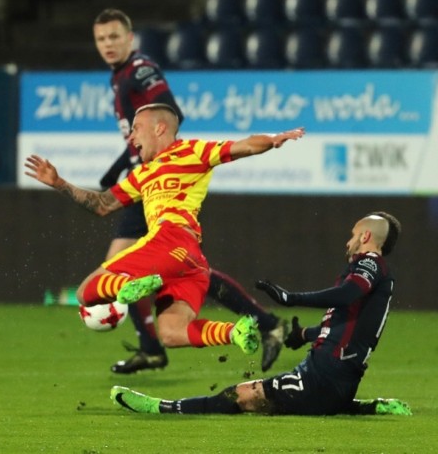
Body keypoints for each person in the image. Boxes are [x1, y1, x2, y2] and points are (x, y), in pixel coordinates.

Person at [93, 7, 288, 374]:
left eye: (115, 36)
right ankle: (264, 323)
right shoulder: (119, 77)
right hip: (147, 181)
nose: (108, 44)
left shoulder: (139, 71)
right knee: (190, 272)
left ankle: (155, 347)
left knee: (122, 269)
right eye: (101, 39)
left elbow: (168, 110)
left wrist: (123, 165)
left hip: (157, 180)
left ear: (130, 39)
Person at [25, 104, 304, 360]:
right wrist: (59, 183)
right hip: (191, 261)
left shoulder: (193, 152)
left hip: (169, 239)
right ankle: (234, 332)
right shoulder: (142, 174)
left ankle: (126, 287)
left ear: (159, 128)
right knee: (171, 333)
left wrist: (273, 139)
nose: (132, 137)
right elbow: (102, 204)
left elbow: (244, 146)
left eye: (136, 128)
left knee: (87, 293)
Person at [110, 211, 412, 417]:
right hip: (333, 376)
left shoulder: (369, 263)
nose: (348, 241)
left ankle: (162, 408)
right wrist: (304, 334)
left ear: (365, 236)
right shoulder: (376, 273)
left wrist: (291, 298)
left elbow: (347, 295)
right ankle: (364, 407)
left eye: (353, 234)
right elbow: (349, 325)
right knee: (314, 401)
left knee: (240, 396)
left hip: (325, 377)